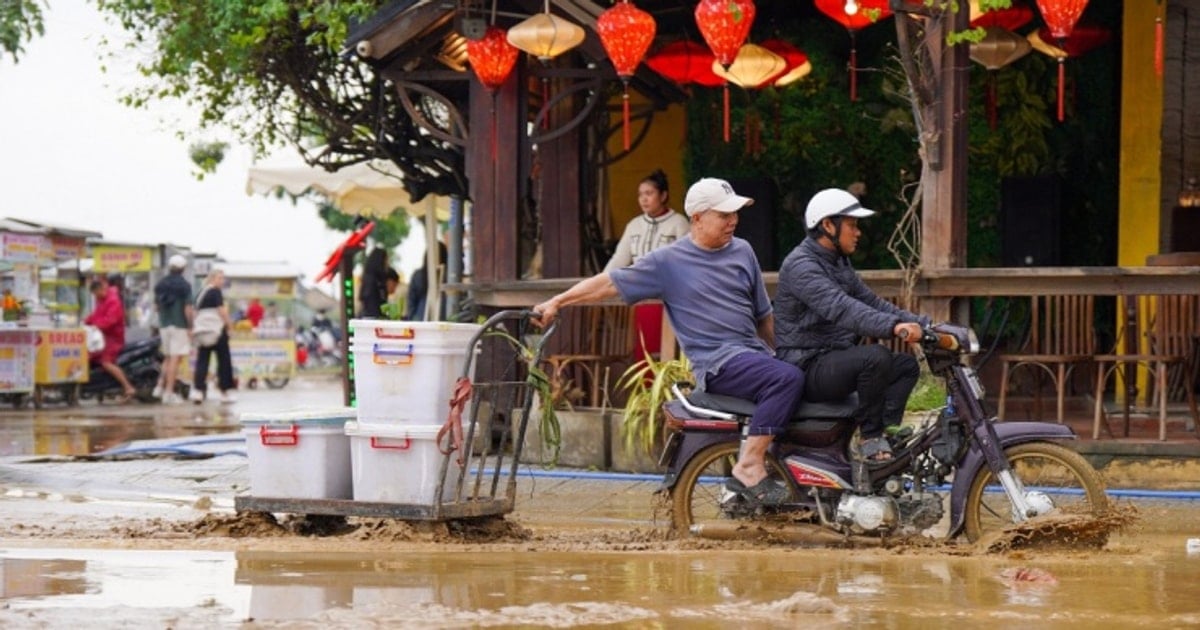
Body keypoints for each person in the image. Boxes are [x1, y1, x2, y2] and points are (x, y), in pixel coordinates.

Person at [533, 178, 804, 506]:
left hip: (754, 356)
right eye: (724, 215)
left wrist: (787, 355)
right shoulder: (668, 262)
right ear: (698, 219)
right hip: (719, 364)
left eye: (735, 213)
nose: (733, 220)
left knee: (805, 378)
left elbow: (764, 316)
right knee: (785, 379)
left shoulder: (743, 251)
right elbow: (608, 283)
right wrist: (557, 302)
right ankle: (748, 466)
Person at [774, 188, 926, 462]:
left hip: (831, 359)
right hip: (806, 363)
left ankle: (887, 433)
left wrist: (926, 326)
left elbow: (872, 302)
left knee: (905, 366)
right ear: (828, 225)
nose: (858, 232)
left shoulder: (839, 262)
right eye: (852, 225)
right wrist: (895, 328)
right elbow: (843, 309)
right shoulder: (801, 265)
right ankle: (870, 438)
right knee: (875, 358)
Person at [604, 169, 691, 359]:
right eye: (640, 195)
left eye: (649, 193)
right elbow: (619, 260)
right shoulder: (634, 225)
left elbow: (688, 261)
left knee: (670, 354)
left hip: (670, 300)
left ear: (663, 195)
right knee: (645, 354)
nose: (643, 199)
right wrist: (601, 281)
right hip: (641, 298)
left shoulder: (679, 223)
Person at [85, 275, 136, 403]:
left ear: (101, 289)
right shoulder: (101, 299)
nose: (95, 296)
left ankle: (128, 387)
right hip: (101, 337)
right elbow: (96, 314)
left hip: (113, 339)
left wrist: (96, 325)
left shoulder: (113, 300)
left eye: (96, 293)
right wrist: (85, 322)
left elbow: (111, 320)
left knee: (105, 362)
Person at [190, 268, 237, 404]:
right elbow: (221, 311)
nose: (222, 281)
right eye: (220, 278)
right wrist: (229, 325)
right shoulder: (215, 292)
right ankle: (225, 391)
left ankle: (198, 391)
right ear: (212, 279)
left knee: (202, 360)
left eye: (223, 278)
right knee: (224, 361)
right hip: (217, 330)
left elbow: (194, 312)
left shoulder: (200, 293)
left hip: (203, 331)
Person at [152, 254, 194, 405]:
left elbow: (156, 307)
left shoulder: (160, 285)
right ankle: (168, 393)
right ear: (183, 269)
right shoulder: (185, 286)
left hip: (164, 325)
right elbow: (188, 309)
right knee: (175, 360)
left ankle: (159, 386)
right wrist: (190, 326)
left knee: (168, 357)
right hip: (179, 325)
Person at [405, 241, 447, 321]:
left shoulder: (418, 275)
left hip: (420, 317)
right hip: (444, 319)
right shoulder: (448, 276)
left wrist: (412, 318)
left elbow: (411, 303)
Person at [359, 247, 391, 318]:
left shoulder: (376, 279)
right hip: (372, 319)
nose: (388, 263)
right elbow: (371, 302)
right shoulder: (372, 280)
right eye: (386, 260)